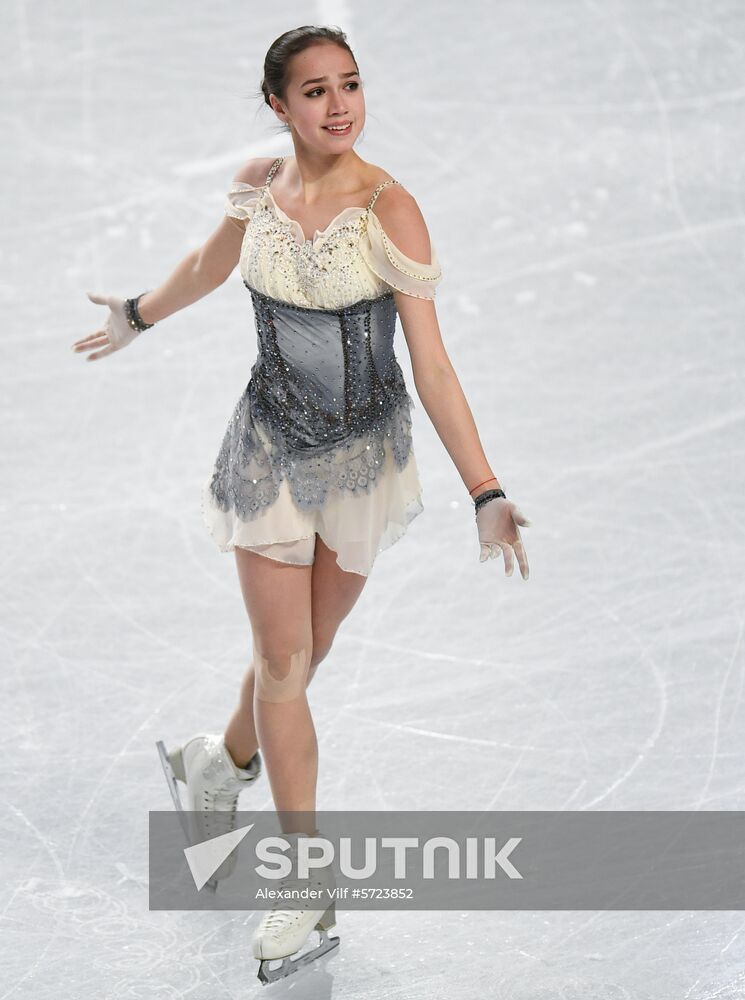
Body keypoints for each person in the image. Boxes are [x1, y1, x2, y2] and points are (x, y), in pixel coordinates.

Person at [71, 23, 531, 984]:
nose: (338, 105)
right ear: (278, 105)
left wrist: (483, 488)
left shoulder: (390, 209)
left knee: (306, 652)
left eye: (350, 85)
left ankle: (215, 763)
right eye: (314, 91)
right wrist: (140, 314)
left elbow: (432, 365)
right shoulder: (259, 186)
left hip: (363, 463)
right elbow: (209, 262)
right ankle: (303, 880)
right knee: (284, 661)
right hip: (269, 451)